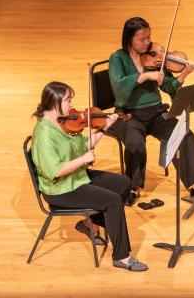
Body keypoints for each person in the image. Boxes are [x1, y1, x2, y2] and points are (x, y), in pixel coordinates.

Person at [31, 81, 148, 272]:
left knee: (124, 184)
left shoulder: (61, 122)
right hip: (60, 189)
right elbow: (54, 171)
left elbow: (84, 145)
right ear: (55, 102)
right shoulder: (44, 134)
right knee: (112, 201)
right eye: (68, 100)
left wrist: (103, 128)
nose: (71, 105)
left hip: (76, 177)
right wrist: (83, 159)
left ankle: (90, 222)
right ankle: (122, 257)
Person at [108, 17, 194, 205]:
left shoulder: (155, 56)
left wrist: (182, 77)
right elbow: (120, 89)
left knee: (185, 136)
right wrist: (144, 76)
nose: (147, 43)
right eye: (141, 39)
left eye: (148, 37)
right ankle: (133, 187)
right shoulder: (118, 59)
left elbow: (168, 86)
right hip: (129, 115)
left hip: (156, 113)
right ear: (129, 39)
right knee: (135, 143)